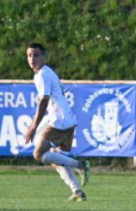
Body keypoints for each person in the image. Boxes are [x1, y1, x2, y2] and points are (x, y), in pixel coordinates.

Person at [23, 43, 90, 201]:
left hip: (59, 120)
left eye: (36, 55)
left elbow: (43, 102)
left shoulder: (43, 75)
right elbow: (44, 102)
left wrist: (33, 127)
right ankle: (77, 191)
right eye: (29, 55)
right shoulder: (45, 73)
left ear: (43, 57)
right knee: (55, 158)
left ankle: (80, 165)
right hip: (67, 120)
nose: (32, 58)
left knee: (38, 153)